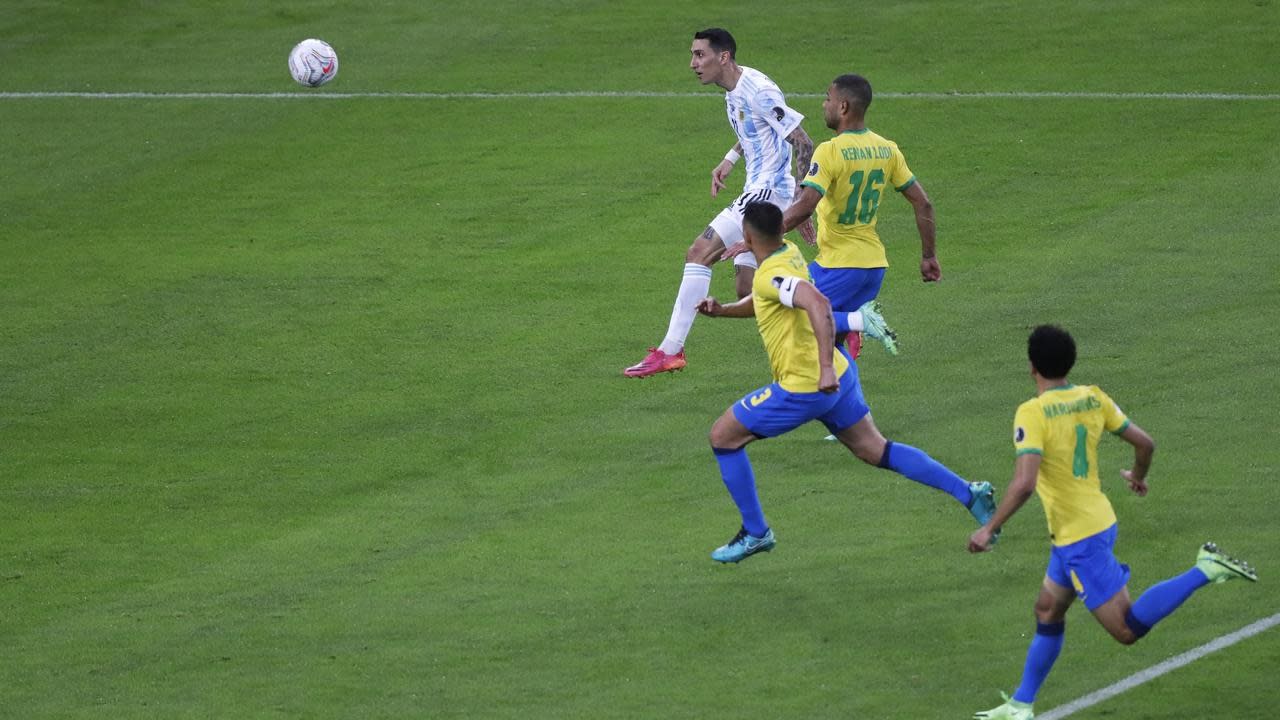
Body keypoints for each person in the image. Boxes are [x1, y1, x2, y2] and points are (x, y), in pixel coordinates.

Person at [968, 325, 1258, 720]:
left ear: (1031, 367)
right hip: (1092, 521)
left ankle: (1204, 569)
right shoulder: (1092, 398)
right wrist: (1138, 477)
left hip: (1079, 537)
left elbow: (1024, 483)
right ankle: (1021, 704)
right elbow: (1145, 444)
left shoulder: (1032, 413)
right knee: (1048, 609)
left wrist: (990, 527)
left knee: (1125, 629)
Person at [696, 202, 996, 563]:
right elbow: (767, 300)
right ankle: (969, 493)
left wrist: (822, 367)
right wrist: (724, 309)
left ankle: (756, 532)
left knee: (723, 436)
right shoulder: (789, 253)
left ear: (746, 237)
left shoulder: (768, 274)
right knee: (876, 450)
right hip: (842, 374)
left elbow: (817, 302)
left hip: (806, 385)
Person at [624, 28, 816, 378]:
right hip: (762, 186)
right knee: (749, 288)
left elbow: (803, 142)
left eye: (700, 55)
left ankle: (670, 350)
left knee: (699, 252)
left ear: (723, 57)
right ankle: (835, 319)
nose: (693, 64)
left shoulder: (756, 90)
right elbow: (757, 127)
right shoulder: (734, 86)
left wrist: (804, 202)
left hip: (767, 192)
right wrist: (731, 157)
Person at [779, 73, 940, 360]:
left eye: (828, 98)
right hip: (873, 267)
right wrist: (929, 256)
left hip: (840, 266)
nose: (823, 104)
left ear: (843, 107)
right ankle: (850, 403)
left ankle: (860, 321)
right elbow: (923, 204)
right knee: (832, 349)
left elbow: (805, 206)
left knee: (793, 313)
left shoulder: (830, 151)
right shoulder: (887, 149)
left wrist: (761, 237)